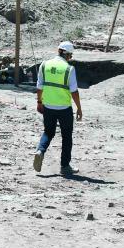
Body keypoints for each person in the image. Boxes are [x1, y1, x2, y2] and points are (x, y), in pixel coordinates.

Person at [34, 41, 82, 177]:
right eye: (70, 56)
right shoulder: (69, 69)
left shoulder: (44, 65)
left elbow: (39, 86)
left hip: (48, 106)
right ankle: (65, 167)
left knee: (48, 132)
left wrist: (39, 102)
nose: (70, 58)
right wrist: (79, 108)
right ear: (67, 55)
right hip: (64, 108)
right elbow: (74, 91)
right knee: (67, 137)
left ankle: (40, 151)